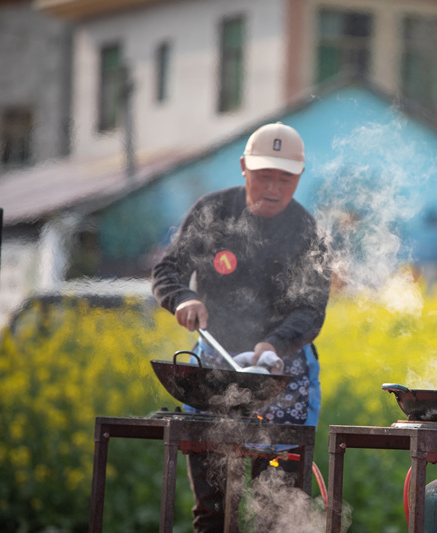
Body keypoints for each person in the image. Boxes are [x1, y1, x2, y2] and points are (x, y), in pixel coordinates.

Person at [152, 122, 331, 532]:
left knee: (278, 513)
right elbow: (167, 270)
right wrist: (184, 298)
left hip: (280, 372)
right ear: (243, 167)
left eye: (284, 178)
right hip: (214, 368)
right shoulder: (211, 212)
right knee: (214, 510)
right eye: (264, 174)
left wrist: (273, 344)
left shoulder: (308, 233)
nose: (273, 187)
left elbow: (311, 310)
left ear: (299, 177)